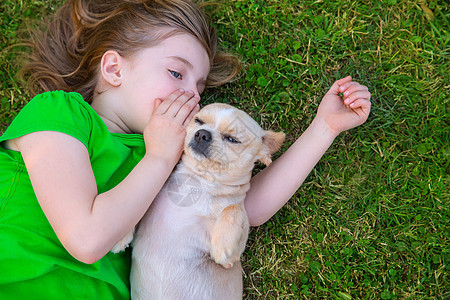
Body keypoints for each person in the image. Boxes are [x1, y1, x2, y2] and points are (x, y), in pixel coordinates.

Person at [0, 0, 371, 298]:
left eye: (200, 87)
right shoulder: (59, 114)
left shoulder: (172, 151)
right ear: (114, 69)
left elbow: (247, 205)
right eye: (177, 73)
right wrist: (158, 156)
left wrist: (325, 128)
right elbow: (87, 238)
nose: (192, 95)